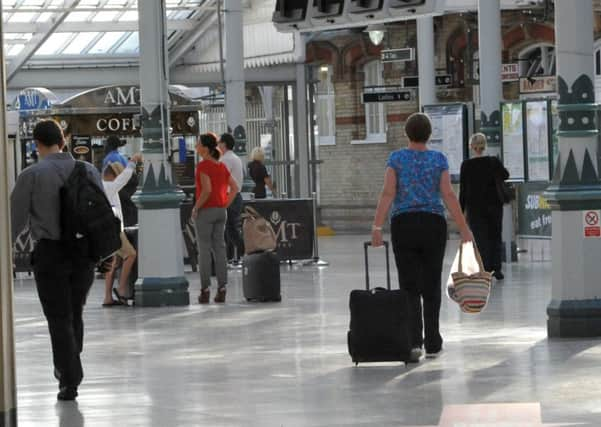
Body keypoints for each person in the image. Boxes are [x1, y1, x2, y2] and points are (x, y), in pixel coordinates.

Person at [11, 119, 103, 401]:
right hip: (83, 253)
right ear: (62, 140)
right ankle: (70, 363)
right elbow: (100, 213)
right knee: (75, 311)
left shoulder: (32, 174)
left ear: (37, 144)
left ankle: (69, 377)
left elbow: (13, 221)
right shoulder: (88, 169)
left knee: (58, 317)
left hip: (50, 254)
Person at [371, 113, 473, 363]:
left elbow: (388, 193)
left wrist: (376, 226)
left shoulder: (396, 159)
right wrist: (464, 228)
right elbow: (448, 195)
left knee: (409, 286)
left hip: (403, 224)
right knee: (431, 283)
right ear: (429, 134)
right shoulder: (439, 159)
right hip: (433, 224)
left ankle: (413, 341)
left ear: (407, 134)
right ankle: (434, 342)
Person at [192, 133, 239, 304]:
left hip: (205, 212)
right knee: (220, 249)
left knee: (204, 251)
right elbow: (235, 187)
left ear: (205, 148)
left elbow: (207, 190)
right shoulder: (221, 166)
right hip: (221, 212)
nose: (196, 147)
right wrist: (225, 204)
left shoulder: (203, 166)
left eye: (198, 144)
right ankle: (222, 289)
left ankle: (205, 290)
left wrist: (196, 207)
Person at [459, 133, 510, 280]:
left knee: (481, 239)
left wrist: (460, 211)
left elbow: (463, 190)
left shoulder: (466, 165)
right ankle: (497, 269)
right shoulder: (493, 161)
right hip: (494, 205)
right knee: (495, 235)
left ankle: (485, 269)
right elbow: (505, 175)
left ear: (471, 147)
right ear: (485, 145)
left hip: (475, 208)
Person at [101, 154, 142, 306]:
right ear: (112, 176)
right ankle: (122, 288)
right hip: (114, 230)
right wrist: (132, 162)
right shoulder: (110, 186)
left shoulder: (99, 186)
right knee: (131, 254)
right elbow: (124, 177)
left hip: (104, 230)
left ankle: (107, 297)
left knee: (112, 262)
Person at [218, 133, 245, 265]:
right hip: (237, 196)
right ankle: (233, 256)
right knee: (231, 227)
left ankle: (244, 252)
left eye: (219, 142)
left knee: (230, 228)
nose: (218, 144)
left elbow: (222, 180)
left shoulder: (225, 160)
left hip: (229, 196)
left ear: (224, 144)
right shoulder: (236, 158)